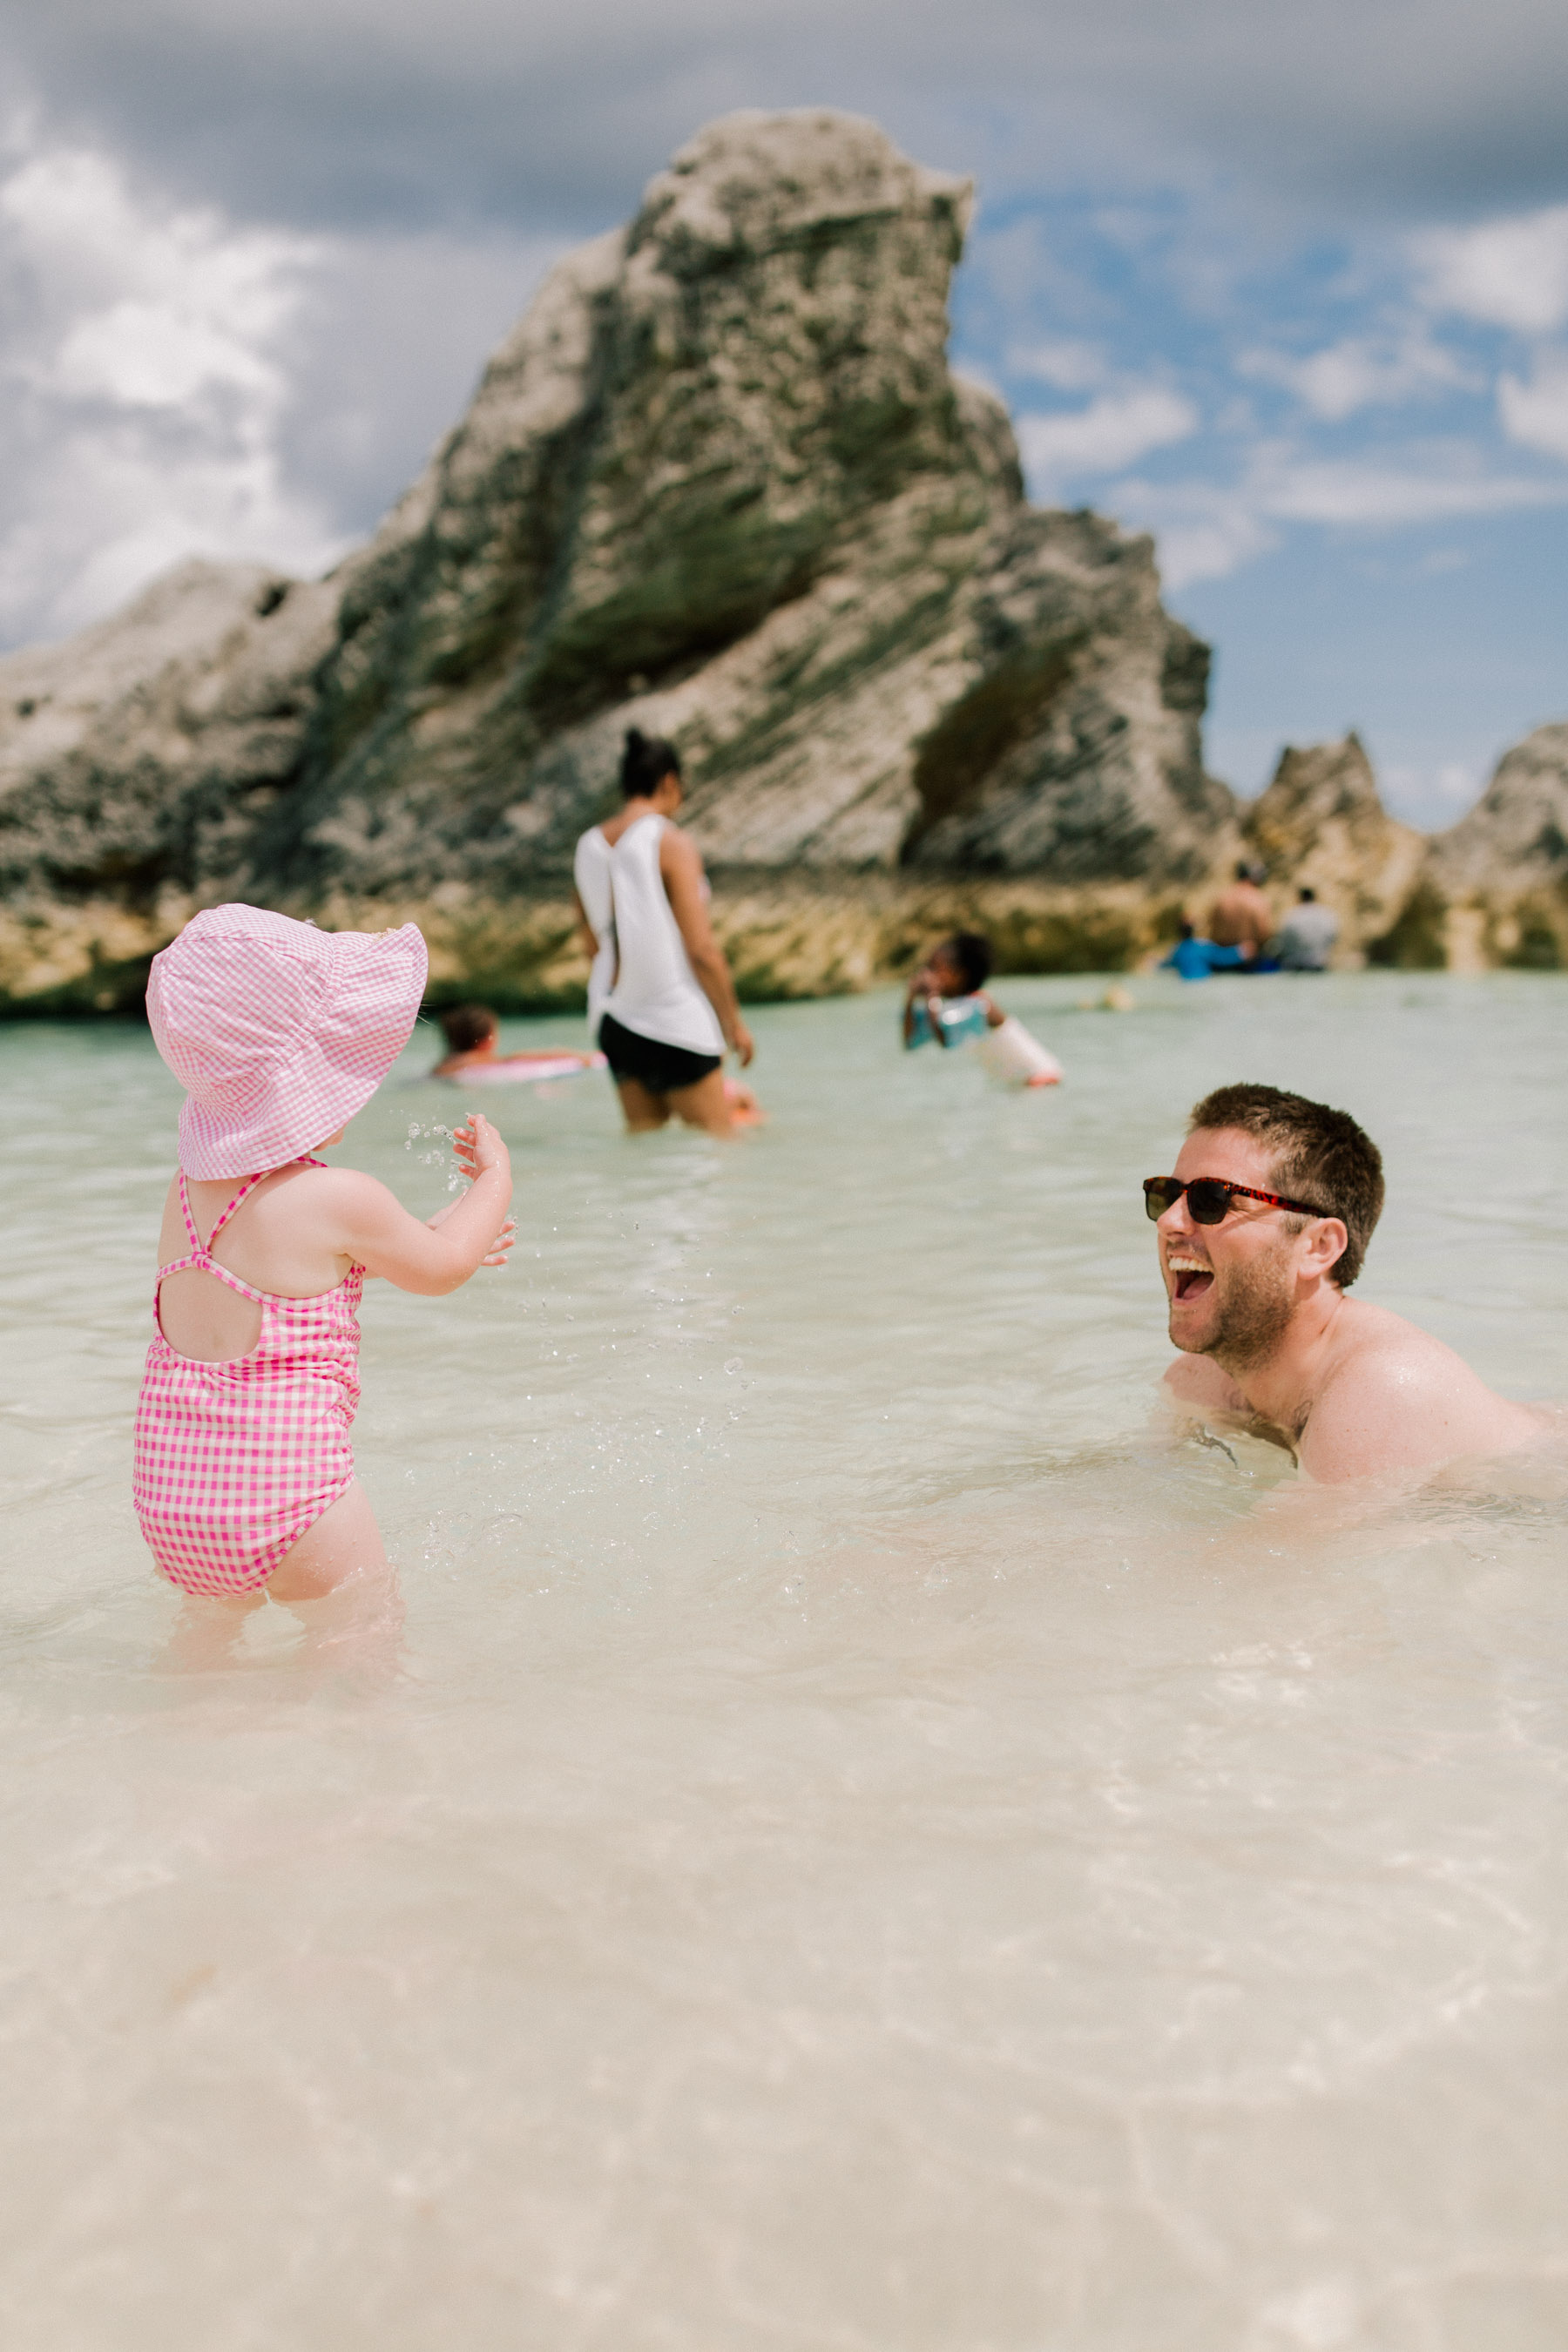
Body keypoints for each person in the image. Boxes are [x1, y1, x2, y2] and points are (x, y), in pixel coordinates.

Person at [135, 904, 516, 1612]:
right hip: (290, 1498)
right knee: (363, 1645)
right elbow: (446, 1269)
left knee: (206, 1663)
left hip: (173, 1498)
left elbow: (300, 1267)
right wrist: (492, 1181)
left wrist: (429, 1233)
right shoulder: (341, 1197)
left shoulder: (185, 1192)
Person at [1148, 1081, 1544, 1483]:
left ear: (1318, 1247)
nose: (1168, 1222)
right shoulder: (1195, 1382)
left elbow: (1273, 1547)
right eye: (1167, 1194)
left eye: (1212, 1200)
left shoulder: (1382, 1389)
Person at [579, 727, 757, 1137]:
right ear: (670, 783)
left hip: (612, 1018)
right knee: (719, 1147)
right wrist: (734, 1025)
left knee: (645, 1153)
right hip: (673, 1017)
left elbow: (591, 945)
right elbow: (702, 950)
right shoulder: (670, 841)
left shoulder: (587, 845)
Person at [430, 1003, 601, 1082]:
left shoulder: (440, 1068)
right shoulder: (481, 1061)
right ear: (486, 1041)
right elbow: (521, 1058)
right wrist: (584, 1058)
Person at [902, 932, 1004, 1049]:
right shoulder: (946, 1008)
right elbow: (911, 1041)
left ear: (959, 975)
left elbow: (946, 1037)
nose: (926, 974)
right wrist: (911, 997)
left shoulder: (982, 1004)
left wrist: (931, 995)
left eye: (934, 967)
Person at [1207, 862, 1274, 952]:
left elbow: (1212, 930)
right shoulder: (1258, 899)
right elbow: (1263, 933)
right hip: (1248, 957)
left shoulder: (1223, 897)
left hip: (1221, 954)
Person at [1273, 887, 1339, 972]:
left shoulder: (1291, 916)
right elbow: (1333, 937)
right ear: (1314, 898)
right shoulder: (1327, 915)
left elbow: (1283, 941)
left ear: (1299, 898)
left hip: (1296, 966)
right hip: (1319, 963)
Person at [1160, 921, 1250, 981]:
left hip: (1185, 984)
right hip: (1203, 983)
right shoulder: (1202, 947)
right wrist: (1241, 952)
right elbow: (1222, 957)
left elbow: (1166, 965)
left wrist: (1155, 962)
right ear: (1193, 931)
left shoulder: (1177, 950)